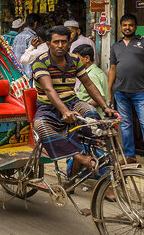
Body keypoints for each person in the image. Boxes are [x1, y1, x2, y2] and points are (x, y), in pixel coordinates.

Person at [31, 26, 116, 172]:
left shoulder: (75, 60)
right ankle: (79, 158)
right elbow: (49, 89)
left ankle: (96, 151)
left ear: (69, 44)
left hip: (72, 102)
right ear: (48, 44)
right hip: (48, 106)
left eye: (64, 42)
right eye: (56, 42)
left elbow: (88, 84)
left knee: (91, 113)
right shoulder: (40, 62)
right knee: (40, 126)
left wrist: (105, 106)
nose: (60, 45)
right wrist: (65, 112)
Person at [108, 14, 144, 175]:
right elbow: (112, 69)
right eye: (124, 25)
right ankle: (130, 156)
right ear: (120, 27)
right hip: (120, 92)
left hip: (140, 92)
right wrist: (109, 91)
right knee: (125, 125)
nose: (127, 28)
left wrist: (141, 73)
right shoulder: (115, 46)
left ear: (135, 26)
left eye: (130, 25)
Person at [73, 44, 108, 112]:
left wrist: (83, 107)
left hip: (93, 115)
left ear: (87, 58)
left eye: (77, 59)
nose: (74, 63)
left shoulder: (91, 75)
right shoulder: (96, 71)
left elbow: (101, 99)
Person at [11, 13, 41, 80]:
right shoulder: (32, 37)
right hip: (28, 74)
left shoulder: (17, 36)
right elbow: (31, 56)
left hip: (18, 73)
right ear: (36, 23)